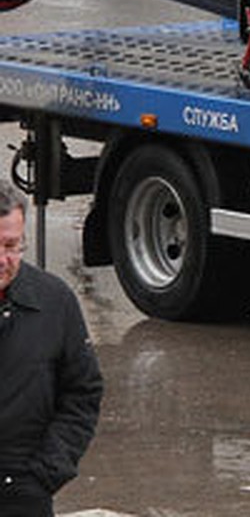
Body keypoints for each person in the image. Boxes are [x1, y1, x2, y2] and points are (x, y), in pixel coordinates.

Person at [0, 183, 103, 517]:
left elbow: (83, 392)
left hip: (23, 495)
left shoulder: (54, 302)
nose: (3, 259)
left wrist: (46, 472)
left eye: (12, 246)